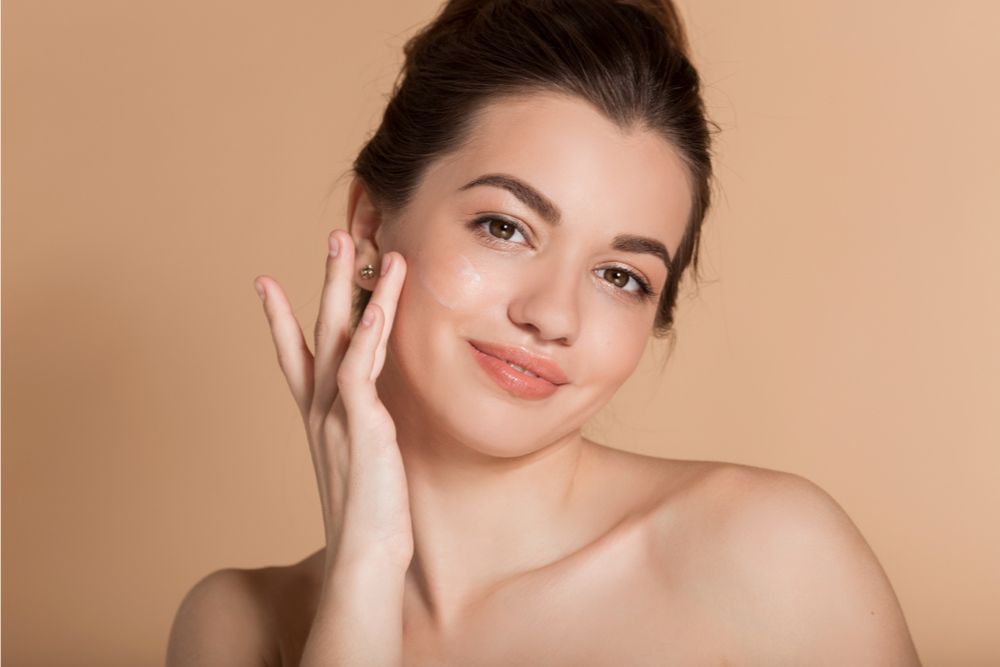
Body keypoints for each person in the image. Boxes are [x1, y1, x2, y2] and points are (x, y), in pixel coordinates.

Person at [167, 0, 921, 664]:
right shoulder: (241, 627)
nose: (553, 315)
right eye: (506, 227)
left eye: (622, 276)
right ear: (369, 228)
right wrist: (363, 577)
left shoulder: (769, 557)